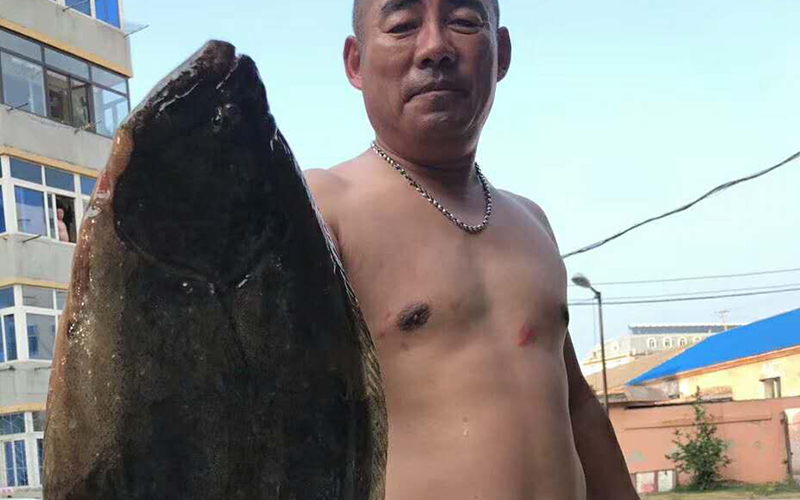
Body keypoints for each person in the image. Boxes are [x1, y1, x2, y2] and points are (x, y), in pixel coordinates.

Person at [305, 0, 640, 498]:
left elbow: (577, 407)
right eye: (402, 26)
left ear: (501, 53)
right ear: (356, 63)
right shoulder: (319, 209)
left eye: (463, 22)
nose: (435, 47)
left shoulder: (532, 221)